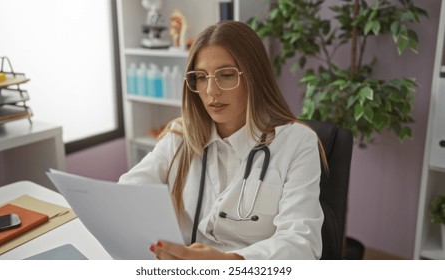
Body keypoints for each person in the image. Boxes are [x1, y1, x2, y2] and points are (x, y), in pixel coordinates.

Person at [119, 20, 325, 260]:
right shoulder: (181, 135)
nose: (211, 91)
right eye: (202, 77)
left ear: (255, 77)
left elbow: (301, 244)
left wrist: (226, 262)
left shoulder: (297, 143)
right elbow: (127, 193)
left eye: (226, 75)